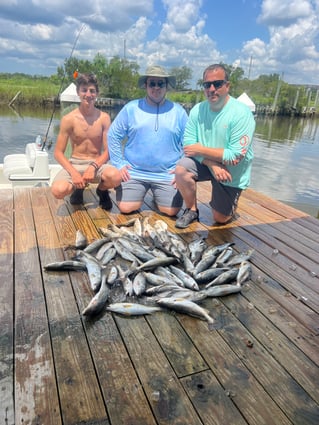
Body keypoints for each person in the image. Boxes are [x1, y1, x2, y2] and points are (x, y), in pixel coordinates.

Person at [175, 63, 255, 228]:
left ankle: (228, 203)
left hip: (231, 172)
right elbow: (189, 146)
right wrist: (213, 164)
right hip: (209, 164)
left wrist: (200, 150)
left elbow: (235, 156)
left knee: (220, 218)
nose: (212, 88)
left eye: (217, 84)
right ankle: (191, 210)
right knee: (182, 168)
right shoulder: (197, 110)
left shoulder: (242, 113)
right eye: (207, 84)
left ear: (227, 85)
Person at [107, 65, 188, 216]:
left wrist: (181, 170)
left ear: (166, 86)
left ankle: (158, 197)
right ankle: (143, 193)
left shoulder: (179, 112)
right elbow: (113, 136)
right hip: (134, 172)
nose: (156, 87)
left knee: (171, 211)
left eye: (160, 84)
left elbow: (189, 144)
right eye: (152, 83)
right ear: (146, 85)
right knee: (125, 208)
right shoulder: (131, 108)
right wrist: (119, 164)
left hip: (167, 174)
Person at [51, 73, 121, 209]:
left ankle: (102, 190)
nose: (88, 94)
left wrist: (94, 167)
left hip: (97, 164)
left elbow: (109, 151)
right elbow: (58, 153)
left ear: (97, 93)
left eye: (92, 91)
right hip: (75, 163)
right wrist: (74, 173)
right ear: (78, 92)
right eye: (84, 90)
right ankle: (78, 188)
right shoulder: (68, 119)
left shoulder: (104, 118)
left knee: (116, 177)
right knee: (58, 190)